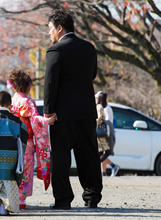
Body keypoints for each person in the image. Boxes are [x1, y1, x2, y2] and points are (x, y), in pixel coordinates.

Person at [43, 9, 102, 209]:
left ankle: (63, 199)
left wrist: (48, 111)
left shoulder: (55, 50)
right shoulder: (89, 48)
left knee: (61, 157)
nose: (49, 33)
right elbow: (92, 75)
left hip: (62, 114)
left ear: (59, 29)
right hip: (86, 111)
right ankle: (92, 197)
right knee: (89, 156)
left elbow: (50, 84)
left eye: (50, 29)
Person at [7, 69, 55, 209]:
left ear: (13, 86)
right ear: (28, 86)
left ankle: (11, 196)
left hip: (12, 140)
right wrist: (48, 121)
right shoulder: (27, 101)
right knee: (25, 168)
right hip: (25, 141)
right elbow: (34, 120)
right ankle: (21, 200)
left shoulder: (11, 100)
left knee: (13, 167)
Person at [95, 91, 119, 177]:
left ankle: (106, 170)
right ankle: (104, 172)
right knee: (102, 152)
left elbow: (108, 121)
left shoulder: (106, 108)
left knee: (103, 152)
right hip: (102, 133)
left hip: (104, 133)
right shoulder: (102, 107)